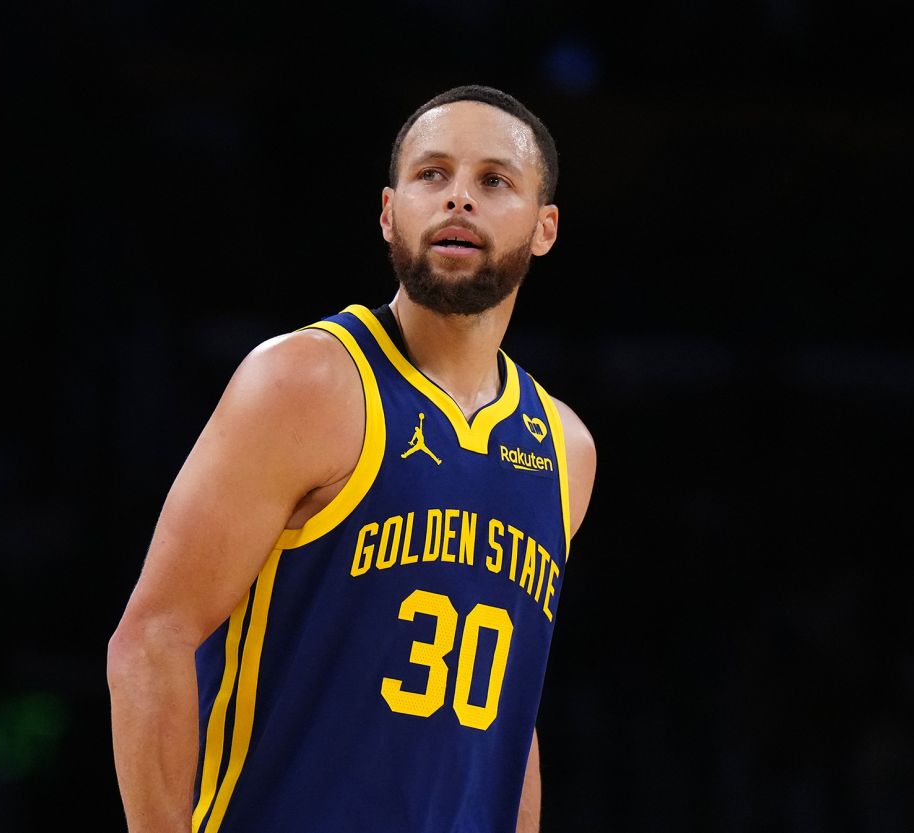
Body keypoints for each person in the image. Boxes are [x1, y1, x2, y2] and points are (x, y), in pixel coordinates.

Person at [107, 83, 598, 833]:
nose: (458, 199)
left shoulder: (564, 448)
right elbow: (152, 640)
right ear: (388, 211)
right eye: (431, 175)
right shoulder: (305, 381)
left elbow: (510, 723)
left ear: (545, 227)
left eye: (494, 181)